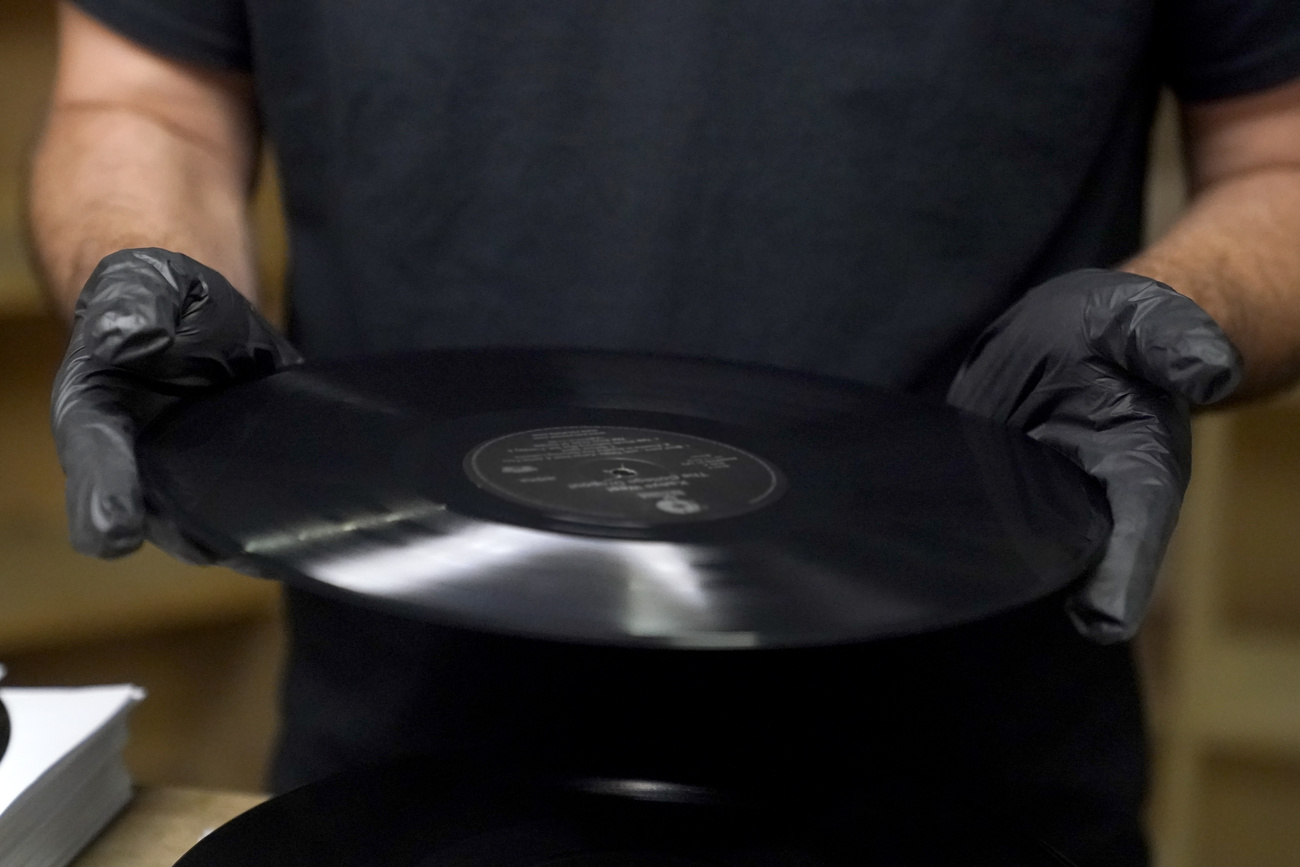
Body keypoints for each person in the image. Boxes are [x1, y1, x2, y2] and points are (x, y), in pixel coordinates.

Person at [28, 1, 1300, 863]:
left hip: (975, 778)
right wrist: (146, 267)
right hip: (395, 768)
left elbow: (1278, 154)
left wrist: (1175, 318)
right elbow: (146, 101)